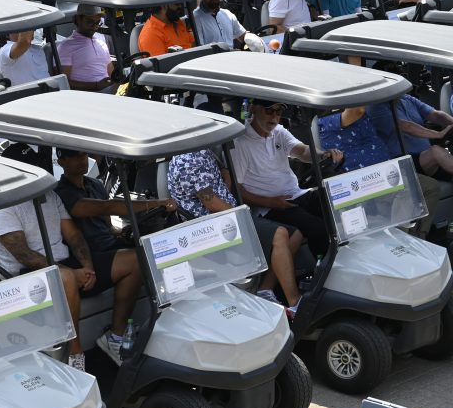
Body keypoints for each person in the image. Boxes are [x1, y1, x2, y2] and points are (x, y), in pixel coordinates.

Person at [0, 144, 97, 371]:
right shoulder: (1, 207)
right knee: (64, 279)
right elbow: (23, 255)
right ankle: (75, 352)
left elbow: (73, 235)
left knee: (130, 260)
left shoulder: (48, 195)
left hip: (61, 264)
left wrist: (87, 266)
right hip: (22, 278)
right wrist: (71, 273)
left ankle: (117, 335)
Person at [55, 147, 166, 363]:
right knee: (135, 260)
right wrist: (155, 203)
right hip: (89, 254)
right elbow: (104, 208)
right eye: (74, 156)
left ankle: (158, 323)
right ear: (61, 162)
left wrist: (125, 234)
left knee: (155, 249)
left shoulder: (95, 185)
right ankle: (116, 336)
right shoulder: (62, 193)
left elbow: (107, 225)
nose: (81, 159)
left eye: (83, 154)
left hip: (108, 246)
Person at [168, 148, 303, 314]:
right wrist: (243, 216)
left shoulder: (203, 150)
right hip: (211, 227)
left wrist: (224, 170)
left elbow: (221, 176)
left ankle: (264, 291)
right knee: (280, 234)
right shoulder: (187, 160)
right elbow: (212, 204)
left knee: (295, 235)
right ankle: (296, 303)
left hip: (227, 216)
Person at [232, 100, 340, 256]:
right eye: (269, 110)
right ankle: (322, 269)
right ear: (254, 108)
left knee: (336, 205)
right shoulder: (240, 142)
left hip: (296, 194)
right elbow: (237, 190)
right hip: (269, 207)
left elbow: (302, 152)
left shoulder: (278, 132)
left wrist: (323, 155)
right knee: (319, 229)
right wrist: (271, 202)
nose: (275, 117)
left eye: (279, 112)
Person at [319, 104, 440, 239]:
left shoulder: (351, 112)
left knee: (431, 187)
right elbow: (357, 110)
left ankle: (418, 237)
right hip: (362, 180)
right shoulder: (326, 121)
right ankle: (400, 241)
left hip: (385, 173)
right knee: (405, 187)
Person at [368, 88, 453, 182]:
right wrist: (438, 134)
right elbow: (405, 126)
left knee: (441, 153)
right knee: (435, 151)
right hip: (402, 162)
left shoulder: (406, 99)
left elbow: (436, 115)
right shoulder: (375, 107)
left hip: (424, 157)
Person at [56, 5, 116, 92]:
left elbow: (112, 75)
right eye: (90, 22)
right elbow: (62, 83)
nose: (94, 26)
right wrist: (96, 86)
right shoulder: (66, 46)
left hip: (110, 93)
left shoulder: (102, 44)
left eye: (97, 22)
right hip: (86, 97)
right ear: (77, 20)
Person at [192, 0, 264, 51]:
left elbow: (244, 36)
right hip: (212, 60)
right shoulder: (195, 18)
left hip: (232, 58)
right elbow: (199, 50)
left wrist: (258, 42)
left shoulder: (227, 14)